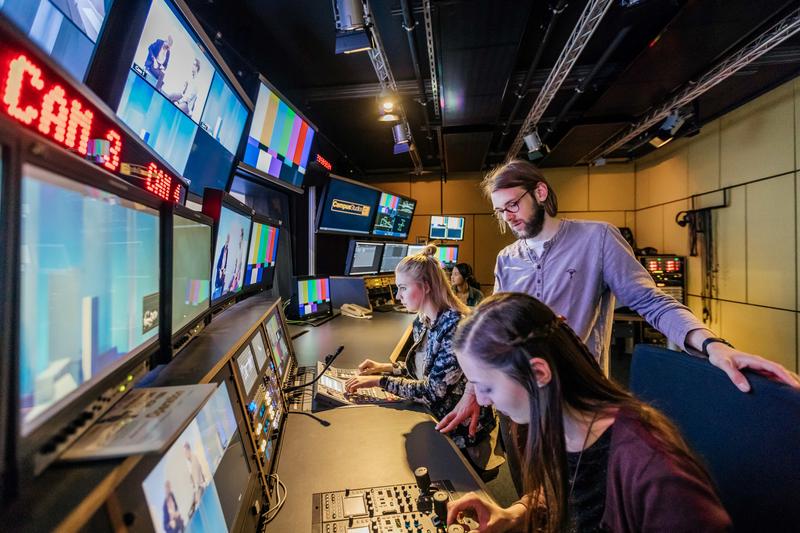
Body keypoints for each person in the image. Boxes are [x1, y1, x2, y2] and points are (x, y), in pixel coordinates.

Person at [438, 159, 800, 439]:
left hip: (579, 405)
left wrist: (712, 345)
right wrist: (474, 387)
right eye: (501, 211)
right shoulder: (507, 259)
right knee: (528, 508)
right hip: (520, 404)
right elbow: (496, 338)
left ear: (541, 193)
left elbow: (652, 302)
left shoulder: (597, 239)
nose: (508, 217)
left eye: (513, 205)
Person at [447, 293, 732, 532]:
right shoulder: (555, 424)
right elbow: (565, 491)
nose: (482, 401)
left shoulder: (653, 468)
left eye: (486, 387)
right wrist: (515, 513)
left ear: (538, 373)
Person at [344, 245, 500, 469]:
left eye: (403, 288)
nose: (398, 296)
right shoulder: (423, 320)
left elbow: (431, 391)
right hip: (434, 420)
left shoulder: (454, 327)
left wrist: (379, 381)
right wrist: (385, 367)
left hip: (458, 435)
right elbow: (422, 369)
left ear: (425, 286)